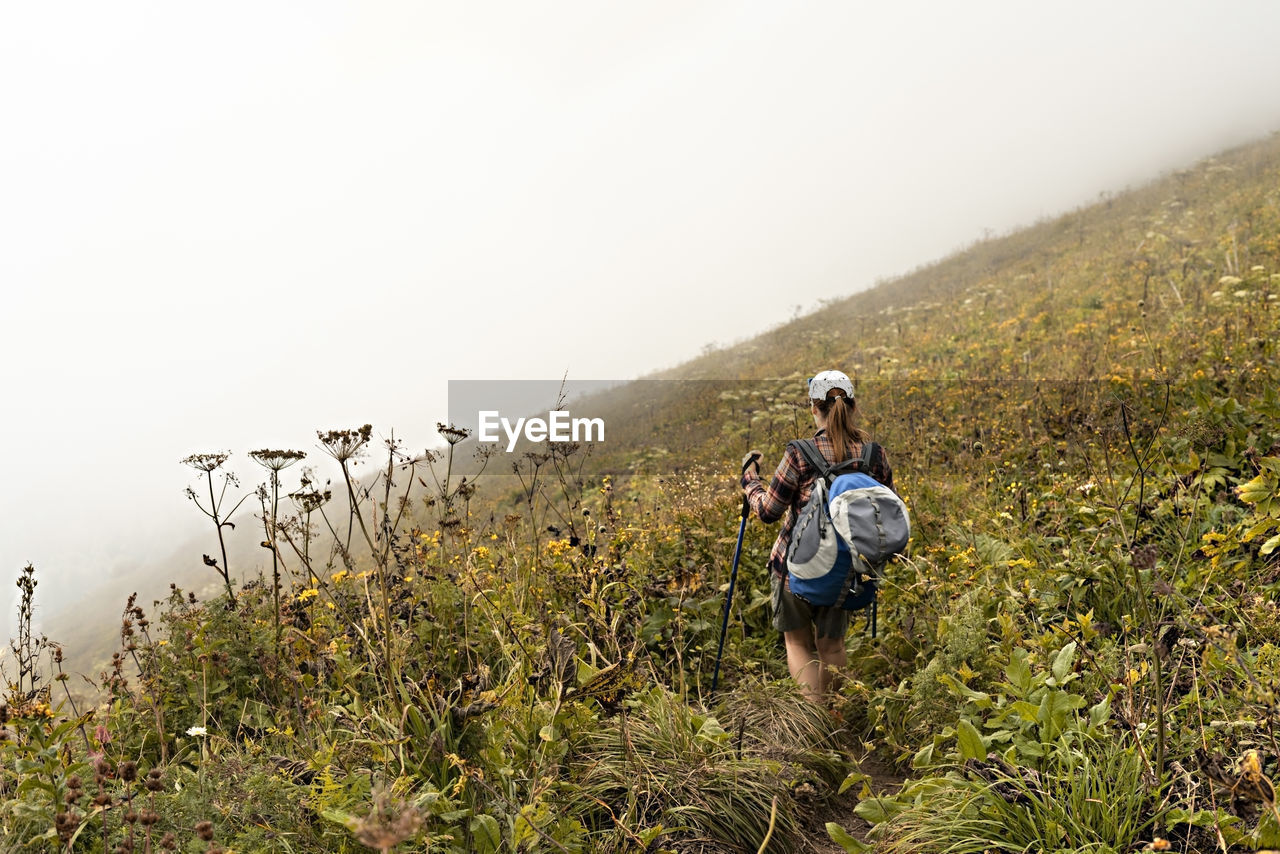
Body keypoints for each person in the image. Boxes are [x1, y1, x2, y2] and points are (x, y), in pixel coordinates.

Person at [740, 369, 894, 703]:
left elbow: (768, 511)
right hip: (847, 569)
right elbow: (884, 513)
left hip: (795, 567)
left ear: (814, 407)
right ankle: (832, 716)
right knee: (833, 646)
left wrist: (750, 481)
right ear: (852, 407)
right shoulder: (874, 456)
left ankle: (813, 721)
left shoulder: (799, 452)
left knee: (797, 644)